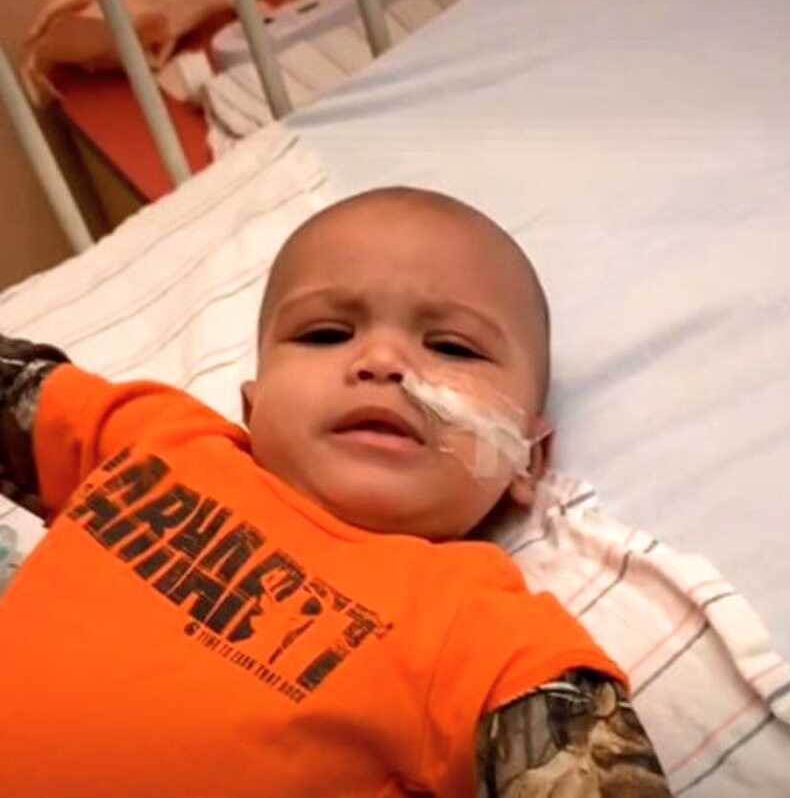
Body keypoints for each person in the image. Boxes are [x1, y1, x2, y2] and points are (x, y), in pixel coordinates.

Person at [0, 187, 671, 796]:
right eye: (326, 333)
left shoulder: (479, 634)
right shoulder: (160, 440)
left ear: (528, 457)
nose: (382, 362)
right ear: (251, 407)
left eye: (453, 348)